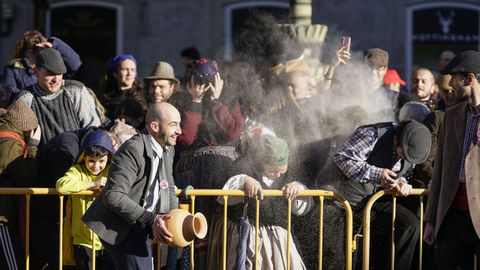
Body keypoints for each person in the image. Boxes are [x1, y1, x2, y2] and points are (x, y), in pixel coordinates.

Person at [320, 120, 431, 269]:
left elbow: (404, 174)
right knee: (344, 258)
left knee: (409, 225)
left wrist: (402, 183)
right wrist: (377, 174)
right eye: (403, 154)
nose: (404, 158)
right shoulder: (372, 134)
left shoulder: (412, 153)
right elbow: (342, 157)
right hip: (343, 200)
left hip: (374, 200)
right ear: (396, 139)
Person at [82, 102, 181, 270]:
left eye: (179, 124)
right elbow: (113, 195)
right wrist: (152, 219)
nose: (179, 131)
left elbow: (169, 186)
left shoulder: (168, 149)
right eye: (173, 125)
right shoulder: (133, 149)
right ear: (155, 127)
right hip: (120, 228)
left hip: (141, 224)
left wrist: (173, 219)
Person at [208, 135, 313, 269]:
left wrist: (297, 188)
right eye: (273, 170)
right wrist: (245, 180)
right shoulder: (243, 165)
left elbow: (302, 206)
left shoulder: (292, 170)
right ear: (262, 161)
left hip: (278, 237)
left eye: (282, 170)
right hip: (247, 233)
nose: (278, 175)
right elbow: (223, 195)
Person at [424, 50, 480, 269]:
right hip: (451, 219)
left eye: (454, 79)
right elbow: (440, 172)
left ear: (470, 78)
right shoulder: (451, 116)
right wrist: (431, 220)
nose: (451, 85)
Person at [16, 48, 100, 146]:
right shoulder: (25, 99)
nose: (56, 79)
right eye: (50, 73)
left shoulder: (76, 91)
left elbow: (94, 131)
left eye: (59, 73)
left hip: (76, 158)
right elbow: (17, 140)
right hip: (41, 159)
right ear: (36, 71)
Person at [56, 130, 115, 270]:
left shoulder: (113, 170)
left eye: (101, 161)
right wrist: (93, 184)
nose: (96, 166)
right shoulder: (77, 171)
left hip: (108, 240)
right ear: (84, 158)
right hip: (84, 242)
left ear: (109, 158)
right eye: (91, 161)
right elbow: (61, 186)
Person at [0, 100, 40, 270]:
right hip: (1, 218)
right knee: (13, 266)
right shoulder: (9, 143)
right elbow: (26, 179)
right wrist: (32, 147)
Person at [3, 30, 81, 93]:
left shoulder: (51, 64)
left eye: (43, 49)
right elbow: (11, 92)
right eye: (35, 50)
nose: (41, 53)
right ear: (27, 52)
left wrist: (55, 45)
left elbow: (75, 64)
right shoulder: (14, 69)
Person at [99, 54, 146, 120]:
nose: (129, 74)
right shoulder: (106, 98)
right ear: (115, 73)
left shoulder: (144, 96)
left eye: (132, 70)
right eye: (125, 69)